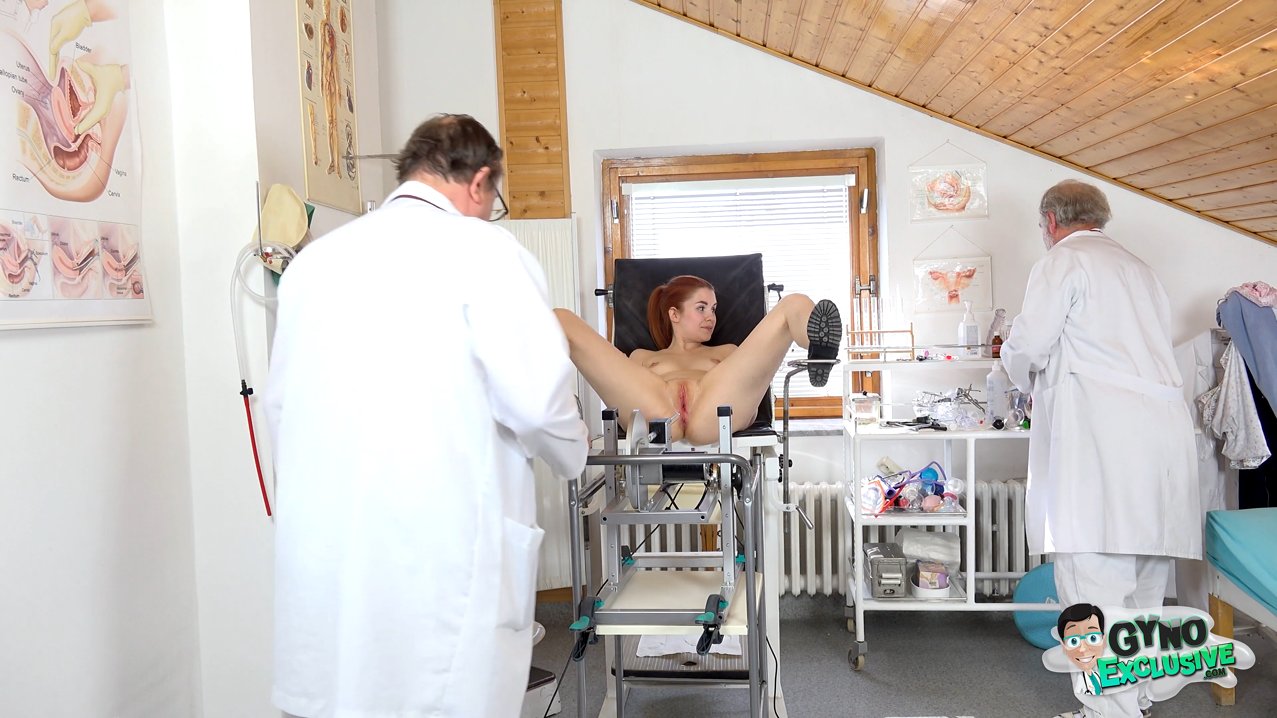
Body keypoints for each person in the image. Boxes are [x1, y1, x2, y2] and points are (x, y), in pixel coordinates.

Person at [264, 114, 588, 718]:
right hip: (443, 552)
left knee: (346, 690)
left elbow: (280, 408)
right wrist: (576, 451)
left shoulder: (315, 263)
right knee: (436, 692)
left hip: (334, 544)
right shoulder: (486, 251)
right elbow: (540, 404)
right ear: (479, 181)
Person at [1000, 180, 1199, 718]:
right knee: (1144, 591)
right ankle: (1136, 700)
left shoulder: (1063, 262)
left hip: (1102, 440)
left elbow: (1028, 346)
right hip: (1162, 440)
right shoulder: (1141, 269)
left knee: (1091, 588)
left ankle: (1107, 712)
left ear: (1050, 221)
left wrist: (1010, 373)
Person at [554, 275, 842, 446]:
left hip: (715, 411)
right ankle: (550, 406)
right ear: (674, 314)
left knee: (794, 302)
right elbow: (622, 387)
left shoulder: (727, 352)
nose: (711, 317)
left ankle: (819, 349)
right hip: (655, 414)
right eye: (701, 308)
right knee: (561, 319)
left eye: (713, 309)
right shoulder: (643, 357)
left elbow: (747, 383)